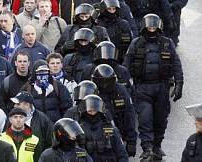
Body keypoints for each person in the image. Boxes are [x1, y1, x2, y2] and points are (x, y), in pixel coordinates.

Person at [124, 14, 183, 160]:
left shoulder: (167, 43)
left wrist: (179, 83)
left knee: (161, 119)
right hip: (142, 87)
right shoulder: (136, 43)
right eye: (149, 27)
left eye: (154, 27)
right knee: (145, 118)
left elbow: (176, 63)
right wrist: (127, 85)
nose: (152, 30)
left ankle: (157, 145)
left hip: (162, 87)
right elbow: (126, 65)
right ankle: (147, 147)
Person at [77, 95, 128, 161]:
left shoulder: (111, 129)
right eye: (90, 111)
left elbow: (122, 154)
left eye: (94, 110)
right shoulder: (79, 131)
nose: (92, 114)